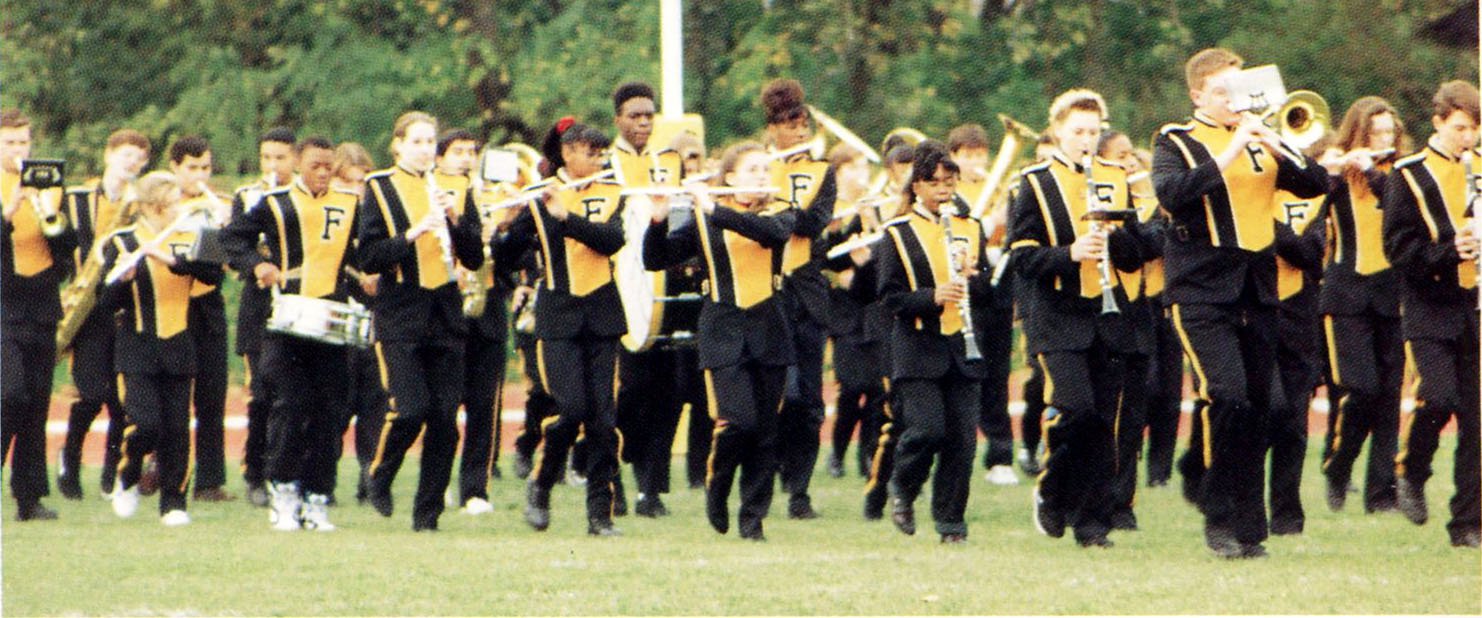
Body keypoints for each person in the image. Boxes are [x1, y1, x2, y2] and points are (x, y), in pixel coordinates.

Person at [1151, 48, 1328, 558]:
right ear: (1198, 95)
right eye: (1221, 92)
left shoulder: (1260, 140)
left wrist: (1275, 142)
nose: (1233, 100)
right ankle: (1219, 515)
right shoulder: (1176, 140)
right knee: (1227, 396)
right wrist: (1231, 149)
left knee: (1264, 407)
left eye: (1237, 89)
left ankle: (1249, 530)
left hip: (1257, 289)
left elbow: (1317, 184)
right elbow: (1173, 193)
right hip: (1201, 290)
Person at [642, 141, 796, 541]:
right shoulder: (702, 218)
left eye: (765, 170)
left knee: (766, 432)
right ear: (729, 177)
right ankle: (718, 483)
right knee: (738, 422)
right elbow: (655, 259)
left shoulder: (780, 211)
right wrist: (658, 218)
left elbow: (769, 234)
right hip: (723, 331)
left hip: (770, 330)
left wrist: (713, 207)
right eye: (752, 170)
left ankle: (752, 520)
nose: (762, 177)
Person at [1011, 91, 1144, 548]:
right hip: (1057, 316)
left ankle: (1092, 525)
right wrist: (1070, 253)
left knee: (1103, 421)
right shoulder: (1034, 182)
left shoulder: (1115, 177)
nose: (1086, 140)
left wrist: (1116, 239)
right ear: (1057, 132)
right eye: (1077, 132)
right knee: (1075, 408)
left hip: (1108, 315)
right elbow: (1022, 256)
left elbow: (1137, 251)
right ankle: (1051, 490)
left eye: (1093, 132)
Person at [497, 122, 627, 537]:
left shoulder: (614, 193)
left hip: (603, 316)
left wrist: (566, 217)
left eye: (602, 154)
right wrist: (505, 226)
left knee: (603, 420)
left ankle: (600, 515)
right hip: (559, 319)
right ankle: (541, 483)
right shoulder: (540, 198)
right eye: (591, 153)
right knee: (570, 411)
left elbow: (611, 240)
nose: (599, 160)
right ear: (568, 154)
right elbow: (505, 257)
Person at [224, 136, 359, 531]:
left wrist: (367, 273)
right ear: (299, 163)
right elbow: (232, 238)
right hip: (287, 321)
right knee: (290, 404)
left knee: (330, 411)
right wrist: (257, 265)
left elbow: (362, 250)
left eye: (329, 166)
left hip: (332, 319)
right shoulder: (275, 203)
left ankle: (317, 497)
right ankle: (282, 490)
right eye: (315, 165)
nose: (323, 173)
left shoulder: (350, 203)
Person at [358, 111, 484, 532]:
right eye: (417, 142)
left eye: (431, 142)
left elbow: (474, 258)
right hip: (401, 311)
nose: (426, 150)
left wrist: (455, 220)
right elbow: (369, 257)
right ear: (398, 145)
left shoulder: (457, 187)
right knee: (410, 410)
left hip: (445, 312)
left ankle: (427, 515)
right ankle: (380, 474)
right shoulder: (380, 187)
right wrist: (412, 234)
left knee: (445, 420)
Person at [1383, 80, 1480, 549]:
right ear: (1438, 122)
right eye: (1460, 128)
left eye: (1475, 129)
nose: (1469, 138)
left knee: (1478, 421)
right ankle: (1412, 468)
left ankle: (1468, 523)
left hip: (1474, 305)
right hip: (1429, 305)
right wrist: (1449, 251)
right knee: (1438, 397)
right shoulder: (1408, 174)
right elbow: (1398, 249)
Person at [877, 140, 988, 543]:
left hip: (962, 346)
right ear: (917, 186)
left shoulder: (970, 227)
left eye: (949, 182)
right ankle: (903, 486)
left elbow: (988, 292)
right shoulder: (898, 233)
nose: (943, 189)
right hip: (918, 347)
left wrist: (975, 277)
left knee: (962, 441)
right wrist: (932, 297)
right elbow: (889, 298)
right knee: (927, 430)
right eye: (934, 182)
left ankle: (951, 524)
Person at [103, 171, 224, 526]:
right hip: (137, 348)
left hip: (179, 346)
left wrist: (171, 260)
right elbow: (105, 302)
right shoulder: (124, 241)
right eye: (172, 204)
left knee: (176, 430)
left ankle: (174, 503)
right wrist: (122, 281)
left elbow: (213, 276)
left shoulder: (192, 236)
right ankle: (127, 478)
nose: (179, 209)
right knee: (145, 425)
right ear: (154, 207)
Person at [606, 82, 699, 518]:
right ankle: (612, 476)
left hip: (666, 293)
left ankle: (650, 489)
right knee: (628, 393)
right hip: (620, 292)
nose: (643, 123)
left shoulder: (668, 163)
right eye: (634, 116)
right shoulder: (606, 165)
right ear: (618, 119)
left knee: (668, 394)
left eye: (649, 115)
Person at [1318, 97, 1407, 515]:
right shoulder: (1338, 172)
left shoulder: (1401, 174)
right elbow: (1310, 200)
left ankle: (1381, 494)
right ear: (1358, 134)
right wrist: (1332, 170)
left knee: (1389, 397)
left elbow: (1397, 203)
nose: (1384, 140)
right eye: (1375, 133)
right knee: (1361, 388)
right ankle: (1338, 466)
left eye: (1390, 132)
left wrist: (1372, 169)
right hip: (1346, 294)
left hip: (1393, 295)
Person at [57, 128, 149, 500]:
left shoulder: (141, 204)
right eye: (126, 155)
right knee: (91, 394)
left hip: (124, 308)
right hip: (87, 308)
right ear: (108, 155)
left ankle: (111, 473)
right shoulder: (75, 198)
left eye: (139, 159)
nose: (132, 163)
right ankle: (70, 459)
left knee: (121, 401)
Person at [762, 79, 837, 520]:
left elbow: (813, 222)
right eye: (791, 125)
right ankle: (768, 472)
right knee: (781, 394)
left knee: (808, 400)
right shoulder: (757, 167)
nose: (800, 131)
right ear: (773, 128)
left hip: (805, 295)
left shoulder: (822, 171)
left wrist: (778, 206)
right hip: (765, 293)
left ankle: (800, 490)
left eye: (803, 124)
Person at [1, 108, 76, 521]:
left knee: (35, 403)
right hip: (3, 302)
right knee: (9, 393)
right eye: (10, 142)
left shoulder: (50, 186)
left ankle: (28, 497)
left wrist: (50, 213)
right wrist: (8, 211)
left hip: (41, 303)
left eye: (23, 142)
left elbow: (68, 247)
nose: (18, 150)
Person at [434, 128, 509, 515]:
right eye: (457, 151)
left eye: (471, 151)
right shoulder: (430, 192)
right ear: (440, 158)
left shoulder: (494, 196)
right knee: (444, 404)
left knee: (484, 405)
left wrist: (503, 232)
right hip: (446, 307)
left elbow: (512, 257)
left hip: (488, 308)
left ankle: (476, 489)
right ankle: (439, 481)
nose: (466, 158)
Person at [948, 123, 1019, 486]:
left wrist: (1006, 222)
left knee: (998, 373)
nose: (976, 162)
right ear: (954, 157)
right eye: (968, 155)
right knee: (966, 373)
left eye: (980, 154)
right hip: (965, 291)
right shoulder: (951, 195)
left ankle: (1001, 455)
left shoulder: (1000, 191)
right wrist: (990, 222)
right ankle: (957, 452)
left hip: (997, 288)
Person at [232, 127, 298, 508]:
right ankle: (255, 473)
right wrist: (256, 261)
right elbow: (234, 248)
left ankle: (288, 472)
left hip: (298, 301)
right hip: (259, 306)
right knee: (262, 394)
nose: (273, 166)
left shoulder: (303, 197)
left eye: (280, 158)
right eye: (266, 158)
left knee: (296, 395)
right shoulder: (247, 197)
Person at [167, 135, 235, 503]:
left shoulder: (220, 205)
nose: (200, 175)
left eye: (205, 167)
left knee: (211, 393)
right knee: (171, 393)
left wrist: (226, 229)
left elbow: (220, 265)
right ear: (175, 167)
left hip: (206, 303)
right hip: (169, 304)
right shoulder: (161, 203)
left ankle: (209, 480)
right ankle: (164, 468)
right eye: (192, 168)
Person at [326, 141, 385, 504]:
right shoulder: (327, 215)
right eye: (346, 182)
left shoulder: (373, 217)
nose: (355, 190)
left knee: (375, 398)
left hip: (374, 315)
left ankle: (370, 476)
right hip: (336, 313)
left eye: (361, 182)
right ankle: (323, 479)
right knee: (335, 401)